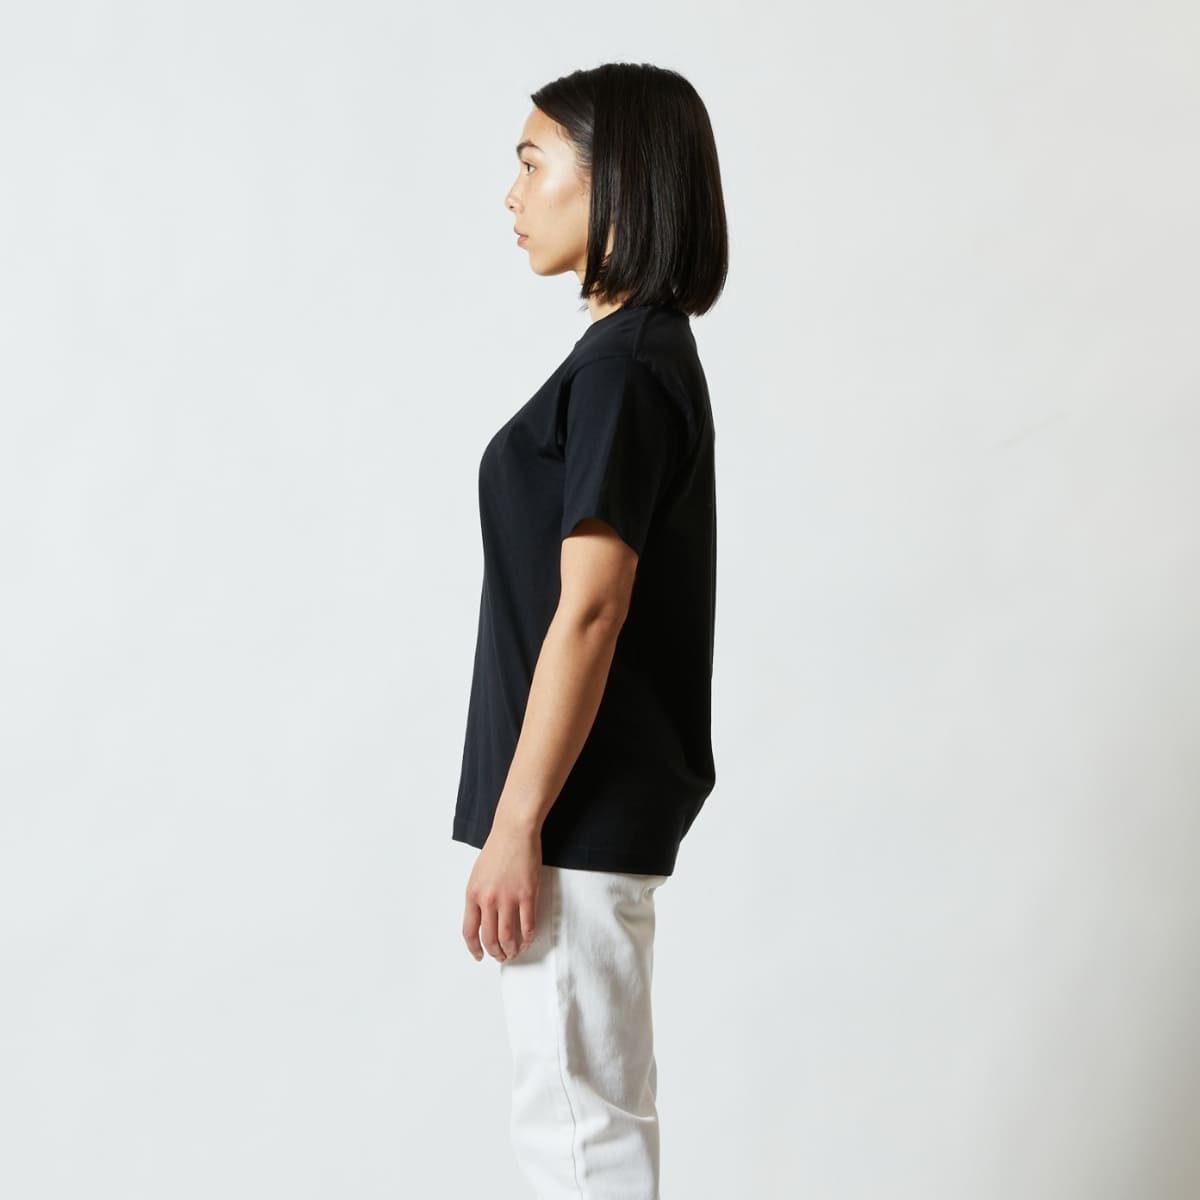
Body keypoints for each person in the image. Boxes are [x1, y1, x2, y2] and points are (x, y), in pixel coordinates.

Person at [451, 61, 728, 1199]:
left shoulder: (625, 368)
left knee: (577, 1139)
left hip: (571, 814)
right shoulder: (632, 357)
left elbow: (594, 607)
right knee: (589, 1123)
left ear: (615, 180)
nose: (512, 195)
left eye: (533, 164)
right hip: (581, 811)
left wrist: (519, 820)